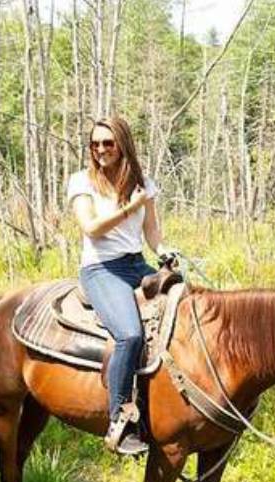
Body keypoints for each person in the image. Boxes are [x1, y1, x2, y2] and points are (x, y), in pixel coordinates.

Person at [68, 116, 177, 456]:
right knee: (129, 334)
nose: (101, 149)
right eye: (95, 144)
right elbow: (92, 228)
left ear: (123, 144)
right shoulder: (81, 182)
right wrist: (129, 206)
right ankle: (119, 418)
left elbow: (151, 231)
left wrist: (162, 250)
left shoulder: (145, 184)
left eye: (108, 143)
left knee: (185, 301)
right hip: (101, 268)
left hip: (135, 264)